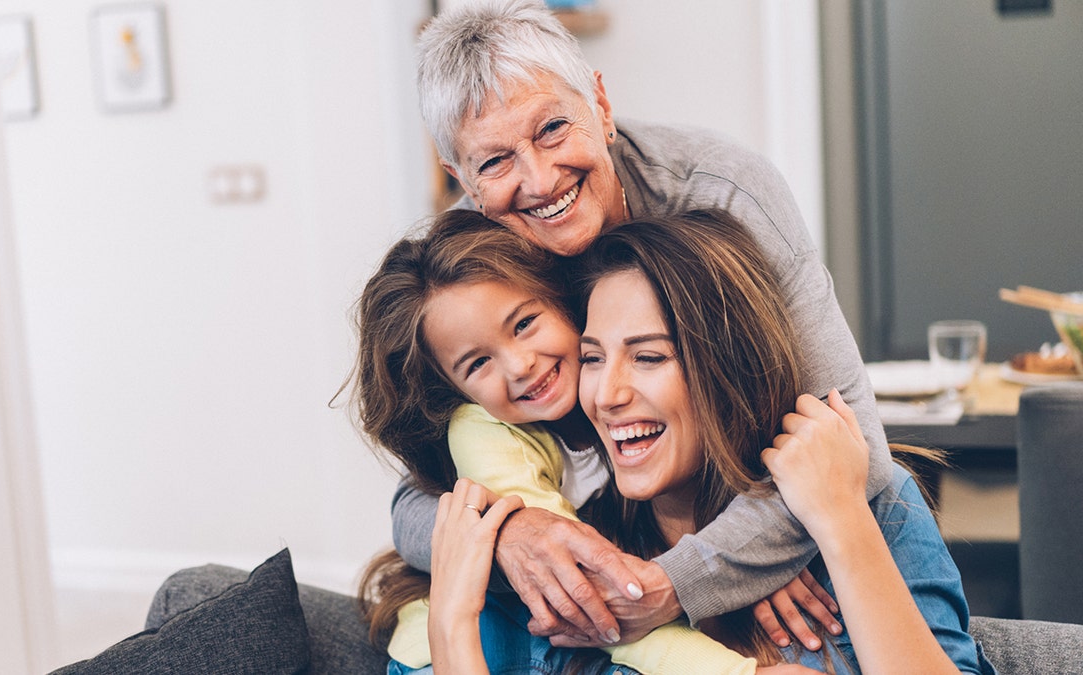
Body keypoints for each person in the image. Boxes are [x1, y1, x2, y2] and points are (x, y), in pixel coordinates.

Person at [391, 0, 890, 649]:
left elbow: (859, 452)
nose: (539, 180)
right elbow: (413, 501)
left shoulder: (723, 193)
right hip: (610, 556)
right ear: (463, 181)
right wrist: (510, 532)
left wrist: (686, 573)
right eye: (494, 163)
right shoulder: (471, 262)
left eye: (550, 129)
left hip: (750, 539)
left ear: (600, 104)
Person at [354, 209, 777, 673]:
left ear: (562, 301)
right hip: (466, 651)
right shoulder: (485, 435)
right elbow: (587, 591)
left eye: (523, 324)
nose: (518, 366)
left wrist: (753, 565)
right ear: (454, 391)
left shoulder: (613, 400)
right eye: (477, 364)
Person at [567, 213, 988, 673]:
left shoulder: (875, 504)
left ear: (733, 368)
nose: (607, 395)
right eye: (592, 358)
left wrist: (841, 520)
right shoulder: (580, 544)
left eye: (648, 357)